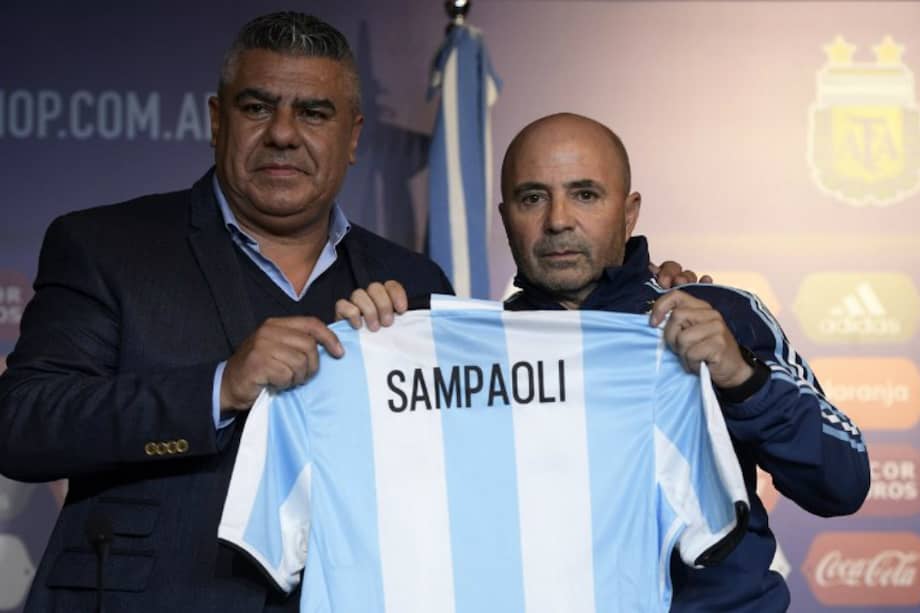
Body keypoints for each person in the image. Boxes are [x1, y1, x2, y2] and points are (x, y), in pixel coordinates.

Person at [0, 13, 697, 612]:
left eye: (313, 113)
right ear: (216, 120)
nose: (283, 133)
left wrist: (641, 298)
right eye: (257, 107)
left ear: (354, 136)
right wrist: (219, 387)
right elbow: (22, 425)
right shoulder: (107, 246)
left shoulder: (413, 282)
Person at [353, 112, 870, 612]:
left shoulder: (721, 315)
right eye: (533, 198)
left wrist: (742, 378)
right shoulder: (466, 355)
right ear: (506, 218)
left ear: (629, 211)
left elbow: (842, 484)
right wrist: (373, 344)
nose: (558, 220)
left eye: (585, 194)